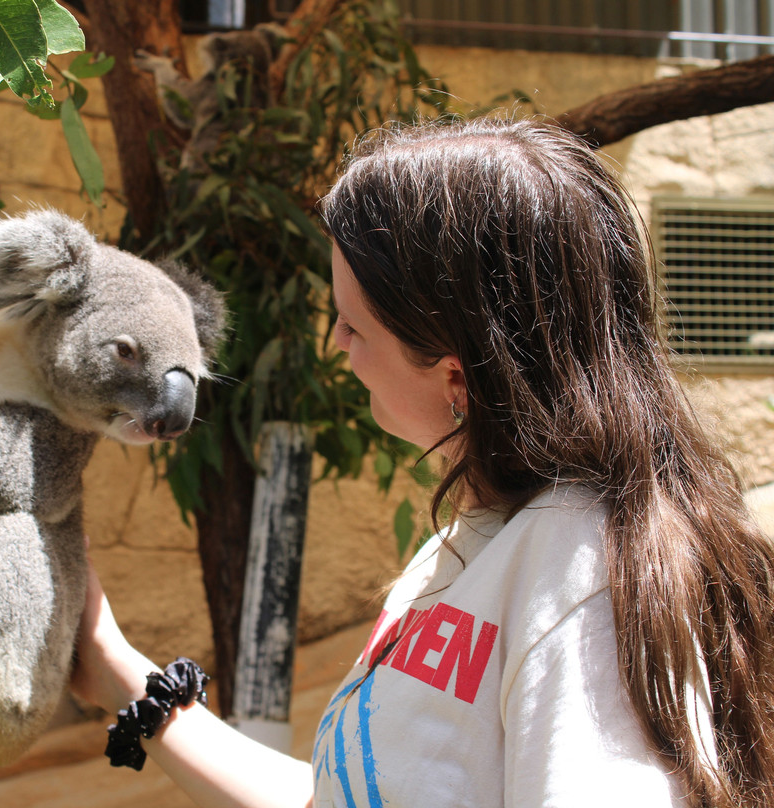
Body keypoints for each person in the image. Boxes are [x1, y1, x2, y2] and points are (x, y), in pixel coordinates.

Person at [70, 117, 774, 808]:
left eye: (354, 325)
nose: (337, 346)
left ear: (457, 378)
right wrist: (115, 668)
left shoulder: (582, 577)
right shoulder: (478, 542)